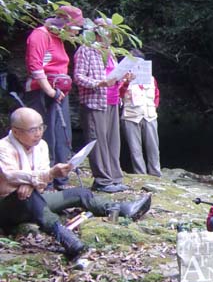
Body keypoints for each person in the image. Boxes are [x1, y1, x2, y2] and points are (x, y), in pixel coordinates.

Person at [0, 108, 152, 259]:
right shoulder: (4, 147)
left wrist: (30, 183)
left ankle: (121, 208)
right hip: (7, 205)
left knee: (80, 193)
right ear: (16, 131)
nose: (38, 133)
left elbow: (41, 181)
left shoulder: (41, 146)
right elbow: (10, 175)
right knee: (28, 196)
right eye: (33, 130)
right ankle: (64, 236)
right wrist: (42, 177)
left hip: (36, 198)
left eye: (41, 127)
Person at [24, 5, 83, 190]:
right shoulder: (41, 35)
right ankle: (45, 180)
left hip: (59, 92)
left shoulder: (58, 38)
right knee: (44, 135)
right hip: (42, 92)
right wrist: (50, 91)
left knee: (61, 135)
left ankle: (61, 179)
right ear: (64, 23)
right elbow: (36, 66)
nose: (76, 32)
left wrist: (57, 92)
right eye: (75, 28)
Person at [73, 18, 132, 192]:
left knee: (113, 141)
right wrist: (99, 83)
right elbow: (78, 77)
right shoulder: (86, 49)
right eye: (107, 31)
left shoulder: (110, 52)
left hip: (113, 101)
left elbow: (114, 77)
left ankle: (115, 177)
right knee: (97, 141)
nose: (110, 35)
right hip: (95, 102)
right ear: (98, 32)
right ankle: (102, 181)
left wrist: (125, 78)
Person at [119, 49, 162, 177]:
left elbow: (156, 94)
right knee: (135, 149)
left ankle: (155, 173)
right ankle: (140, 174)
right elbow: (119, 94)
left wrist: (154, 106)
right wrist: (126, 82)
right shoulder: (123, 79)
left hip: (149, 115)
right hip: (131, 116)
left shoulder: (151, 78)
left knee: (153, 147)